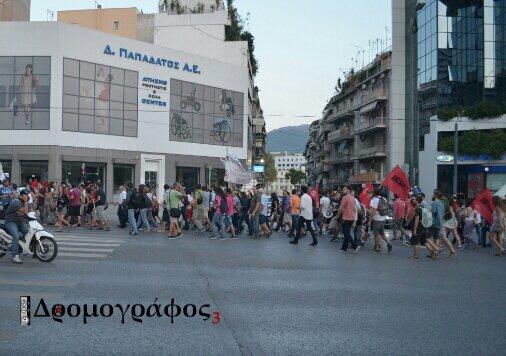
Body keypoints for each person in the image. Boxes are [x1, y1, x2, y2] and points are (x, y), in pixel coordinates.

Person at [4, 188, 30, 264]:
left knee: (27, 231)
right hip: (11, 222)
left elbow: (26, 213)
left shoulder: (22, 202)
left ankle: (21, 247)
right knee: (16, 236)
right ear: (22, 195)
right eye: (26, 195)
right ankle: (15, 256)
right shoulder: (16, 202)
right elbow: (25, 212)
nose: (28, 196)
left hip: (19, 222)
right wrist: (25, 202)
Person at [429, 191, 456, 258]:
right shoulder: (444, 201)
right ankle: (435, 252)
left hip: (439, 221)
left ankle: (451, 250)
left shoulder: (439, 202)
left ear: (436, 195)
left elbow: (435, 212)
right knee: (438, 236)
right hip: (442, 220)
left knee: (442, 236)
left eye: (433, 194)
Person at [410, 196, 438, 260]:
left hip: (418, 228)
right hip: (424, 227)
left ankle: (416, 256)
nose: (412, 201)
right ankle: (433, 252)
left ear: (417, 201)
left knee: (415, 242)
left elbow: (417, 220)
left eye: (414, 200)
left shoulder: (417, 209)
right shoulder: (422, 208)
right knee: (424, 242)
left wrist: (414, 230)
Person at [336, 185, 359, 253]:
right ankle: (344, 247)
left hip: (345, 218)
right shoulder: (353, 198)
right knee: (347, 233)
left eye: (345, 189)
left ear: (348, 190)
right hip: (351, 218)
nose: (343, 191)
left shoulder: (345, 197)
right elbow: (355, 210)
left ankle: (354, 245)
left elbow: (341, 207)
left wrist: (338, 215)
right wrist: (355, 220)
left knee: (346, 233)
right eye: (343, 189)